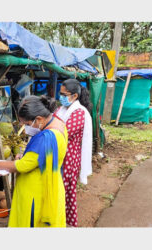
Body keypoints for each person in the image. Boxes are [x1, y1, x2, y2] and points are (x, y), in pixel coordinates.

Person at [0, 95, 68, 227]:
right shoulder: (59, 124)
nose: (25, 127)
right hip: (52, 184)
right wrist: (24, 155)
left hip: (36, 194)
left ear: (39, 119)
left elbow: (22, 166)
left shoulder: (46, 137)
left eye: (27, 124)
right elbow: (41, 157)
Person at [55, 78, 93, 227]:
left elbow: (63, 132)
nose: (61, 97)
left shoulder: (79, 112)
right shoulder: (62, 109)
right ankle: (57, 220)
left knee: (64, 191)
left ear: (75, 96)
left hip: (69, 158)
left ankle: (63, 222)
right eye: (60, 94)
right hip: (59, 155)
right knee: (59, 189)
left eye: (64, 94)